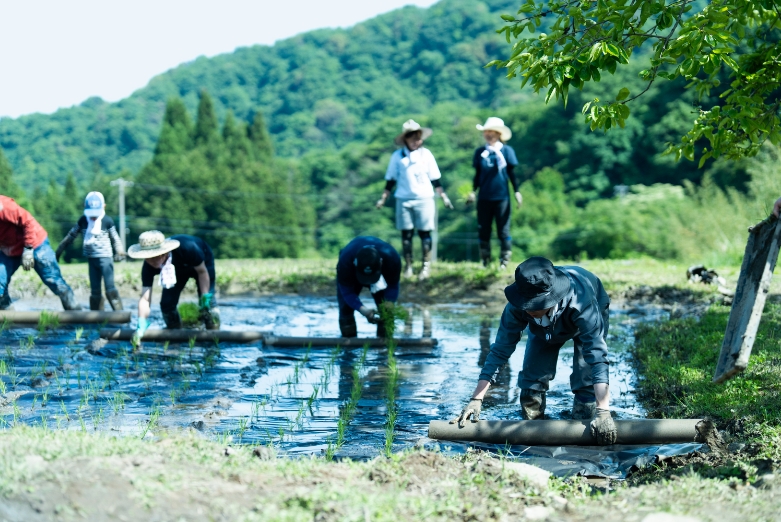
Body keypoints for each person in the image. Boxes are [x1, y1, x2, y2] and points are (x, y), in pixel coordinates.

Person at [452, 256, 618, 445]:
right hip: (543, 326)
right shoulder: (518, 306)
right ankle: (533, 423)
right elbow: (500, 350)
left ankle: (584, 421)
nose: (528, 309)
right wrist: (476, 398)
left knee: (586, 375)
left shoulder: (582, 304)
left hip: (589, 307)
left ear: (550, 298)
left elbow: (597, 356)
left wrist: (603, 412)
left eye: (533, 305)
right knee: (532, 377)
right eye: (525, 304)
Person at [376, 119, 453, 281]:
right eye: (412, 138)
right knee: (406, 234)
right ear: (405, 139)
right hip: (404, 199)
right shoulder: (397, 157)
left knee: (425, 233)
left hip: (424, 198)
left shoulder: (427, 155)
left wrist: (444, 196)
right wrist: (383, 198)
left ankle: (425, 266)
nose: (415, 141)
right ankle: (408, 265)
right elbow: (391, 180)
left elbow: (435, 179)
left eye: (418, 138)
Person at [128, 231, 219, 342]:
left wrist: (205, 296)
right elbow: (145, 298)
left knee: (208, 305)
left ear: (165, 251)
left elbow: (202, 272)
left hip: (201, 265)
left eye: (157, 255)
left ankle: (214, 334)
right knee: (167, 305)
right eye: (149, 257)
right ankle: (176, 337)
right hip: (174, 272)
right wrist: (141, 322)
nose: (154, 260)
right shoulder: (148, 266)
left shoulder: (188, 247)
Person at [0, 195, 80, 310]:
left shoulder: (4, 206)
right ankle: (7, 316)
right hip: (9, 249)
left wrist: (28, 250)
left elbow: (28, 222)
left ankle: (74, 311)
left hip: (36, 243)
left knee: (53, 279)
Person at [466, 117, 523, 269]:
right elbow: (477, 175)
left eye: (490, 131)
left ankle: (504, 261)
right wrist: (473, 191)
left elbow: (511, 173)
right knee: (483, 229)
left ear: (498, 133)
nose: (487, 134)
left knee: (503, 229)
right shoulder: (480, 152)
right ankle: (486, 261)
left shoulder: (506, 151)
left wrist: (517, 191)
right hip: (484, 197)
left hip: (502, 196)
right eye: (486, 131)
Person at [56, 192, 126, 311]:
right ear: (85, 207)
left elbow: (115, 238)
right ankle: (96, 317)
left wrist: (119, 251)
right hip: (91, 259)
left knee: (110, 288)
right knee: (95, 290)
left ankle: (120, 314)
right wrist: (60, 249)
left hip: (105, 259)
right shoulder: (83, 220)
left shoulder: (107, 221)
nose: (93, 217)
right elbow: (71, 235)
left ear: (104, 207)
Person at [336, 236, 401, 338]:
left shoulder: (391, 257)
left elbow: (392, 286)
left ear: (381, 262)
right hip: (353, 273)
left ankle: (384, 346)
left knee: (386, 312)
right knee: (346, 309)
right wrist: (363, 310)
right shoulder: (345, 261)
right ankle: (348, 349)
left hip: (380, 274)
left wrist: (389, 302)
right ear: (355, 263)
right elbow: (347, 291)